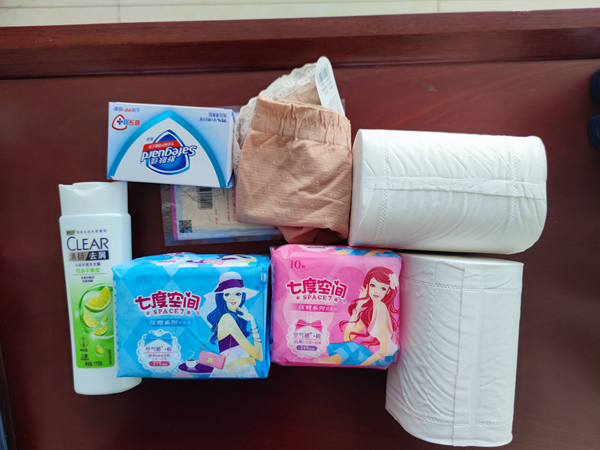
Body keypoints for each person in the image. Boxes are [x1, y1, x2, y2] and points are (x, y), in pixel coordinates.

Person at [317, 266, 399, 367]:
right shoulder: (370, 311)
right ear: (367, 287)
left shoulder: (380, 306)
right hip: (379, 356)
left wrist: (362, 365)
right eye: (373, 285)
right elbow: (348, 337)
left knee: (351, 348)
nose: (377, 291)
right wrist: (359, 305)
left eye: (382, 288)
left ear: (387, 291)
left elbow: (383, 350)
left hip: (384, 358)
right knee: (348, 348)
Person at [204, 272, 263, 377]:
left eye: (237, 294)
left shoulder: (235, 318)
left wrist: (252, 321)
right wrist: (248, 359)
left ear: (242, 295)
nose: (232, 298)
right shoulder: (227, 318)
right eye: (227, 294)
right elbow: (258, 355)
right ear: (222, 297)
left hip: (238, 369)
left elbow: (258, 357)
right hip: (231, 370)